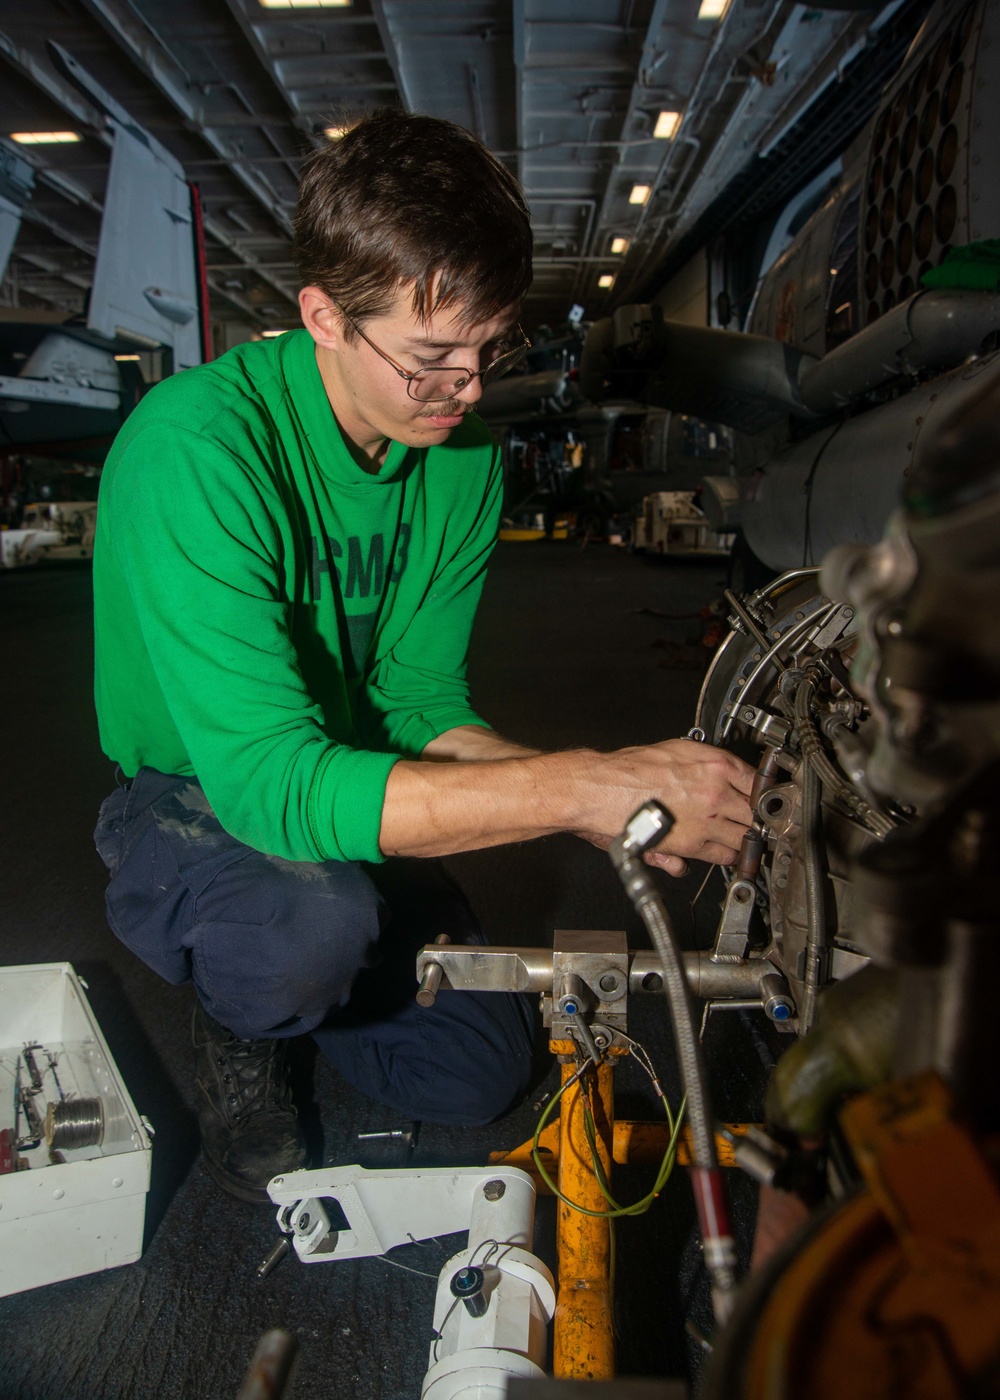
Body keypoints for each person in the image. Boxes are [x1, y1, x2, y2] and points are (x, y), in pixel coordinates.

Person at [92, 110, 754, 1203]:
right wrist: (585, 785)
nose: (467, 387)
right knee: (311, 922)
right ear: (323, 317)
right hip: (200, 789)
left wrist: (594, 786)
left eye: (489, 349)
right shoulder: (195, 451)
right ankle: (242, 1015)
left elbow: (411, 694)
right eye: (433, 357)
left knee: (475, 1071)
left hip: (336, 766)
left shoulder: (459, 456)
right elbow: (268, 782)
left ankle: (310, 968)